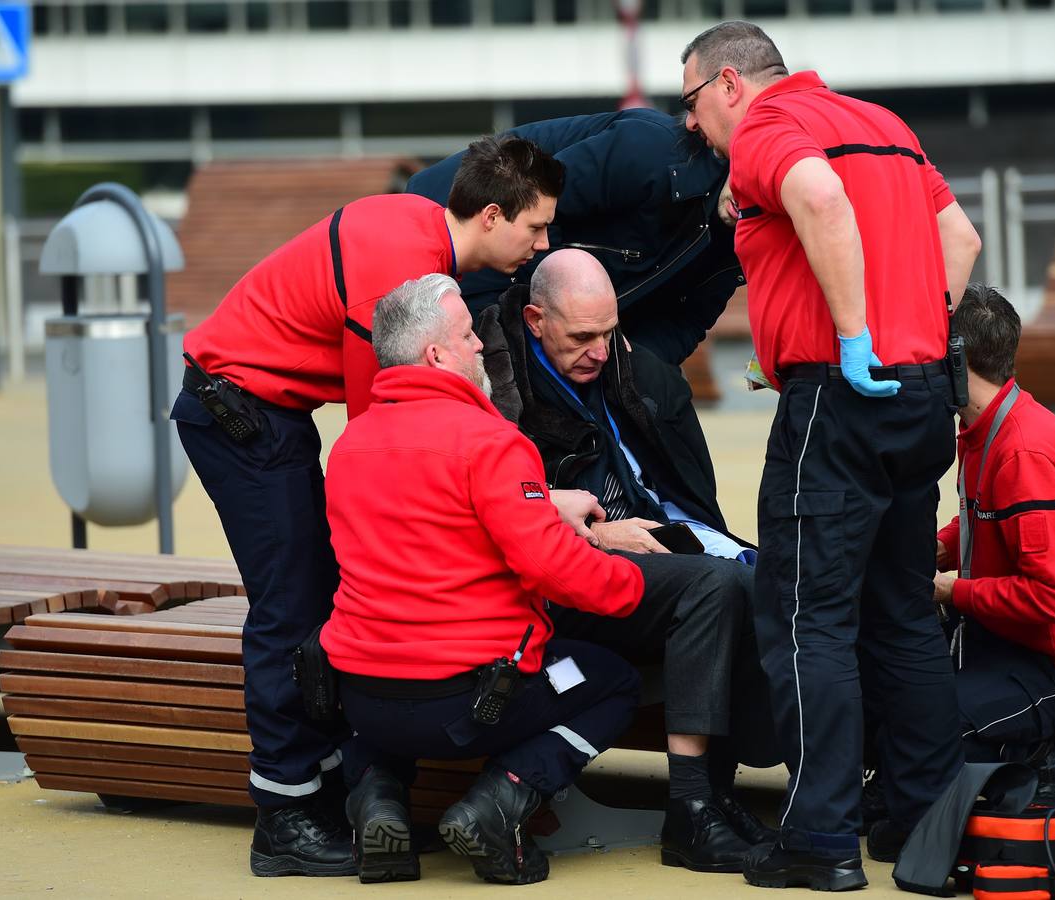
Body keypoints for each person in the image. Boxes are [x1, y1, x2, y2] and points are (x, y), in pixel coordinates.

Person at [170, 136, 563, 877]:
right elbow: (381, 428)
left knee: (309, 600)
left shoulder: (416, 232)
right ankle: (283, 817)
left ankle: (320, 792)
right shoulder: (402, 266)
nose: (542, 245)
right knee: (290, 609)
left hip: (260, 413)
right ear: (490, 214)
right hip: (242, 415)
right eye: (536, 227)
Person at [677, 21, 983, 890]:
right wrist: (916, 337)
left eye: (693, 103)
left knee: (806, 616)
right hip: (922, 392)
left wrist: (854, 339)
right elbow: (960, 241)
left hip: (842, 402)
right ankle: (925, 824)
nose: (693, 126)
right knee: (902, 612)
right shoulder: (882, 123)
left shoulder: (771, 131)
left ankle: (818, 838)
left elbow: (819, 199)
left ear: (731, 84)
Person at [320, 274, 645, 885]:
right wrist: (633, 583)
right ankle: (501, 799)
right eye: (468, 336)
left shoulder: (351, 442)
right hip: (472, 701)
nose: (481, 348)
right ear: (436, 355)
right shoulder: (493, 441)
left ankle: (376, 798)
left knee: (393, 692)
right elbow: (550, 565)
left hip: (363, 695)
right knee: (610, 681)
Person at [478, 248, 778, 873]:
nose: (599, 350)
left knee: (778, 582)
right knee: (717, 588)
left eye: (609, 333)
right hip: (574, 577)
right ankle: (694, 810)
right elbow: (492, 515)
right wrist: (594, 535)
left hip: (666, 541)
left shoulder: (635, 371)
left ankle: (723, 796)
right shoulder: (500, 397)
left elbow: (691, 494)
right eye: (581, 336)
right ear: (535, 320)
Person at [931, 284, 1055, 813]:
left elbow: (1054, 598)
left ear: (954, 358)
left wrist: (949, 590)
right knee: (901, 705)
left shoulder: (1024, 452)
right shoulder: (985, 426)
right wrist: (938, 550)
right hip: (1002, 636)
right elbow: (983, 519)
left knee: (934, 734)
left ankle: (1050, 759)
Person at [407, 108, 743, 365]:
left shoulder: (743, 236)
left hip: (529, 287)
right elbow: (530, 216)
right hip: (459, 232)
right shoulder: (650, 152)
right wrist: (546, 327)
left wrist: (629, 364)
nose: (757, 203)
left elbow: (683, 322)